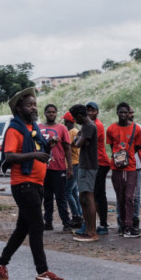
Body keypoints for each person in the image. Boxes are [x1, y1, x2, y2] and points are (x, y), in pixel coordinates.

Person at [0, 87, 64, 280]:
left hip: (37, 184)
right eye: (29, 105)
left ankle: (1, 264)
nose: (33, 108)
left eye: (34, 104)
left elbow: (38, 148)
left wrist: (48, 146)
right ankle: (42, 271)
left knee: (22, 228)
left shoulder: (34, 128)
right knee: (37, 226)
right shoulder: (14, 129)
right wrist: (34, 155)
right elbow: (10, 156)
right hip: (23, 184)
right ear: (19, 108)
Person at [106, 102, 141, 238]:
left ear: (129, 113)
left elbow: (138, 146)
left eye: (125, 112)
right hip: (116, 168)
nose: (122, 115)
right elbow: (112, 146)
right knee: (120, 197)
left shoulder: (136, 129)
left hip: (131, 167)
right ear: (117, 113)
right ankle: (122, 225)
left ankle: (129, 225)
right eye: (120, 112)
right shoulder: (110, 129)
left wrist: (127, 156)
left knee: (129, 197)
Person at [39, 104, 73, 232]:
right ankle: (48, 222)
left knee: (61, 196)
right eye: (49, 112)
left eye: (53, 112)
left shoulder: (62, 128)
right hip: (43, 168)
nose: (51, 114)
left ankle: (66, 222)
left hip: (58, 167)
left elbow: (67, 149)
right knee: (46, 196)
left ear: (56, 113)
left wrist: (69, 167)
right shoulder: (39, 128)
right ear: (45, 113)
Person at [69, 104, 98, 242]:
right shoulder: (86, 127)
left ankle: (91, 231)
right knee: (83, 198)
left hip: (88, 166)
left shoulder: (88, 127)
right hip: (85, 165)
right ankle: (88, 229)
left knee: (88, 198)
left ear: (80, 115)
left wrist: (77, 138)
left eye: (75, 118)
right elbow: (82, 142)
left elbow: (78, 144)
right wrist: (79, 137)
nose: (75, 120)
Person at [87, 101, 111, 235]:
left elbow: (86, 141)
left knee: (99, 194)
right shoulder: (91, 124)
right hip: (95, 163)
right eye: (88, 110)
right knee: (95, 194)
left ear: (97, 112)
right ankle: (98, 223)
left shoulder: (97, 125)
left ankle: (103, 224)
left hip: (100, 163)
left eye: (93, 110)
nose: (90, 113)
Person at [63, 111, 83, 229]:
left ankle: (76, 215)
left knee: (67, 192)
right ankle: (79, 214)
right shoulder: (75, 131)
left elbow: (67, 148)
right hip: (76, 164)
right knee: (74, 191)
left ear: (67, 121)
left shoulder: (71, 132)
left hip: (73, 164)